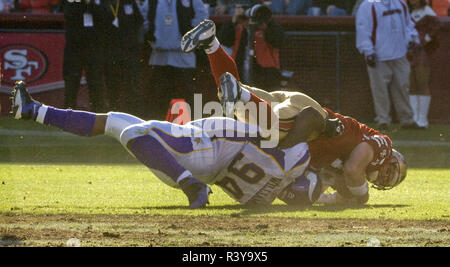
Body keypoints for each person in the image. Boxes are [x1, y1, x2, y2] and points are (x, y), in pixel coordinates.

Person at [181, 19, 408, 206]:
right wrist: (361, 195)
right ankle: (240, 95)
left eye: (388, 180)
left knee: (229, 91)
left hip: (296, 114)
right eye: (389, 172)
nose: (384, 177)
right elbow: (353, 168)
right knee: (272, 129)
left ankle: (211, 43)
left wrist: (335, 196)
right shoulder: (381, 145)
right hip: (310, 117)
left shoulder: (336, 166)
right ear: (391, 158)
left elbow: (323, 192)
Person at [10, 80, 313, 208]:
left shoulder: (292, 151)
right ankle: (36, 111)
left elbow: (294, 129)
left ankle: (190, 186)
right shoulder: (269, 188)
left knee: (132, 132)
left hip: (202, 148)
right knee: (116, 120)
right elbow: (291, 179)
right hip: (207, 159)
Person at [356, 0, 420, 130]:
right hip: (379, 54)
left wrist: (413, 39)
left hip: (400, 52)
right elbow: (363, 29)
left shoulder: (400, 3)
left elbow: (407, 25)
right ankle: (383, 120)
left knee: (403, 86)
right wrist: (368, 51)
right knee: (379, 90)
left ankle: (407, 119)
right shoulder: (368, 5)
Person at [145, 0, 208, 119]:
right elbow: (144, 19)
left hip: (184, 58)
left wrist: (190, 36)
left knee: (189, 98)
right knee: (158, 99)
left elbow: (203, 19)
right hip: (159, 58)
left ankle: (194, 130)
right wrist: (152, 38)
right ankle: (158, 131)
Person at [215, 4, 284, 91]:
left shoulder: (266, 26)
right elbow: (224, 40)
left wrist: (267, 20)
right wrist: (234, 20)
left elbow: (279, 41)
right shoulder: (238, 27)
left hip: (265, 76)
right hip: (240, 74)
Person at [62, 0, 106, 113]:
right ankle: (68, 112)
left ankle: (98, 113)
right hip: (74, 46)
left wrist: (90, 5)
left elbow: (104, 15)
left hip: (93, 46)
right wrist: (83, 4)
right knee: (72, 81)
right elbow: (68, 13)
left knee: (95, 81)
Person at [102, 0, 143, 114]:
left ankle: (134, 113)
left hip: (128, 51)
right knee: (112, 84)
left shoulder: (129, 2)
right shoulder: (104, 3)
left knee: (132, 84)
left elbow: (139, 21)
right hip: (110, 51)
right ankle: (112, 112)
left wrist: (133, 41)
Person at [408, 0, 441, 129]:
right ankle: (414, 118)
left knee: (422, 83)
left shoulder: (428, 12)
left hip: (422, 52)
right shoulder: (408, 12)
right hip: (409, 51)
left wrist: (424, 40)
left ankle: (422, 120)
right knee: (411, 84)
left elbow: (436, 28)